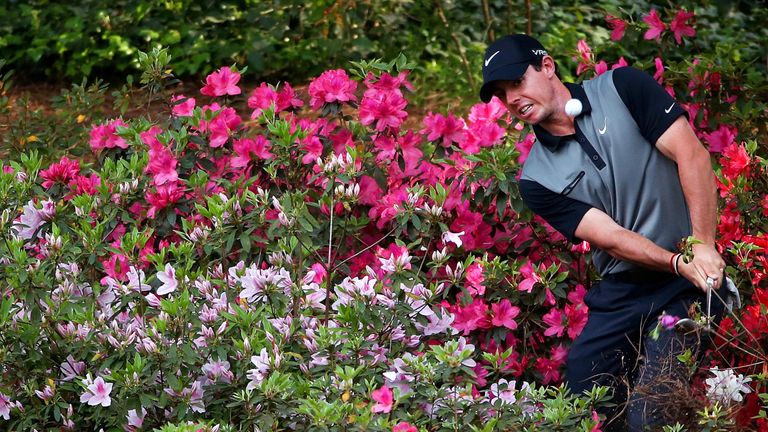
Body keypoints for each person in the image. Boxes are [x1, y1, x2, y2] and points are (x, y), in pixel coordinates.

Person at [479, 34, 728, 430]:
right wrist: (674, 262)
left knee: (651, 408)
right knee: (585, 399)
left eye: (516, 81)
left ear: (546, 67)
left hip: (690, 282)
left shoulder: (623, 87)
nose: (510, 98)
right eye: (500, 93)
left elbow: (691, 154)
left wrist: (701, 245)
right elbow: (609, 236)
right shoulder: (536, 179)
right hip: (626, 288)